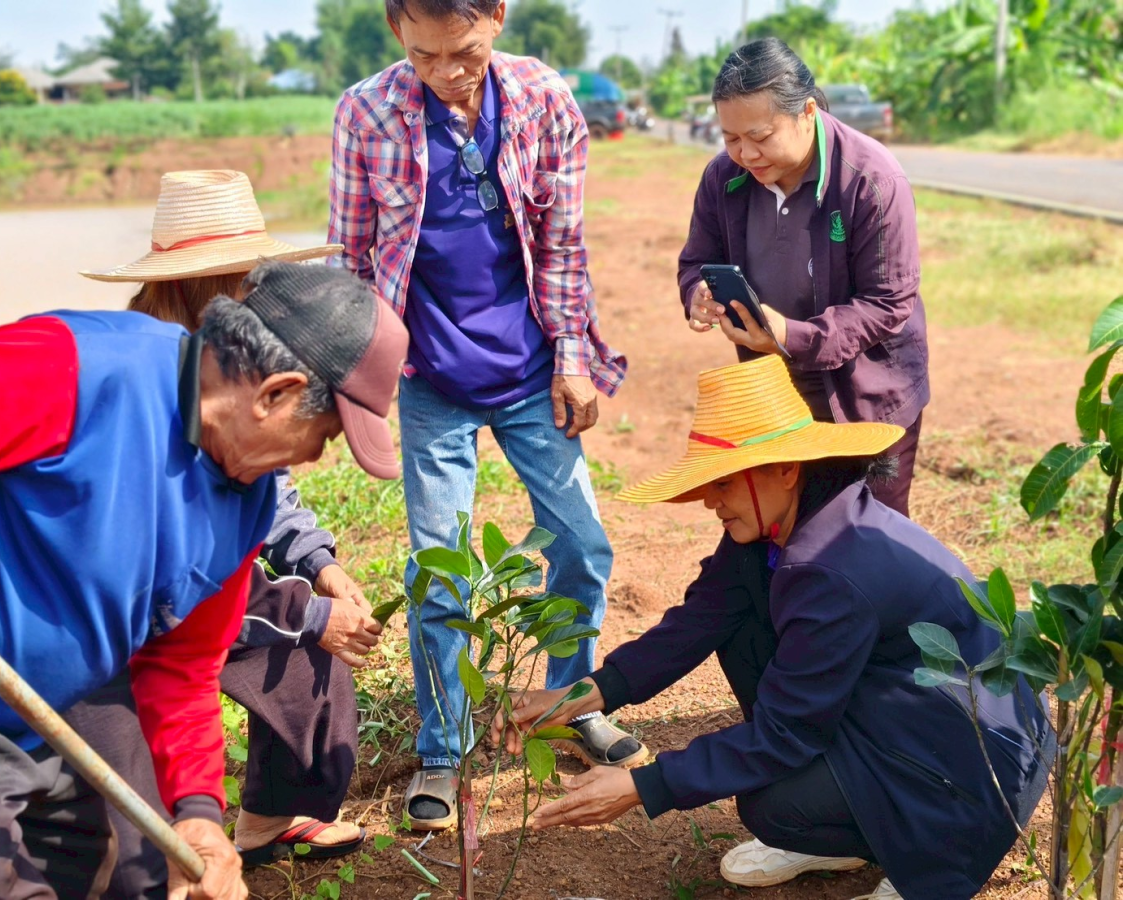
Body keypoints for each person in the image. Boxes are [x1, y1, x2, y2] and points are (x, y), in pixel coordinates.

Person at [0, 260, 408, 899]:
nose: (315, 458)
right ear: (275, 395)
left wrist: (202, 816)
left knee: (141, 879)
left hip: (57, 714)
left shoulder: (247, 500)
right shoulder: (81, 371)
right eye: (323, 435)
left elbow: (181, 667)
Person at [494, 355, 1053, 900]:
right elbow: (702, 618)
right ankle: (862, 824)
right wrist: (584, 695)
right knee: (740, 629)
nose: (711, 501)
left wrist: (645, 786)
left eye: (723, 483)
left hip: (971, 771)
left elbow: (787, 734)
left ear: (786, 469)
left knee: (772, 803)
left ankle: (923, 858)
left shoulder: (832, 567)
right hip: (925, 720)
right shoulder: (788, 519)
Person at [327, 0, 644, 830]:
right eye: (424, 54)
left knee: (580, 542)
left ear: (498, 17)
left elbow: (566, 242)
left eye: (462, 52)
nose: (445, 73)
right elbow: (351, 256)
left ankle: (571, 703)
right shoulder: (365, 112)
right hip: (430, 376)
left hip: (535, 365)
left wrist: (573, 359)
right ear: (398, 29)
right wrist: (359, 381)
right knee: (441, 566)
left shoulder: (544, 99)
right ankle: (443, 745)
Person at [60, 169, 388, 897]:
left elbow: (267, 491)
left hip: (194, 597)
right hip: (129, 608)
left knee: (309, 649)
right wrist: (305, 611)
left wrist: (318, 564)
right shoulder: (139, 369)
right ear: (192, 284)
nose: (253, 295)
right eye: (239, 279)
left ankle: (269, 818)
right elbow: (155, 563)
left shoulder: (252, 355)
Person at [679, 38, 928, 517]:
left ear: (806, 111)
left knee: (872, 538)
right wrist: (697, 293)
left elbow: (888, 302)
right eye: (731, 139)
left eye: (760, 136)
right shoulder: (721, 179)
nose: (746, 154)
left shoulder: (872, 180)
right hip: (776, 395)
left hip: (867, 396)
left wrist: (792, 335)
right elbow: (696, 259)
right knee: (787, 533)